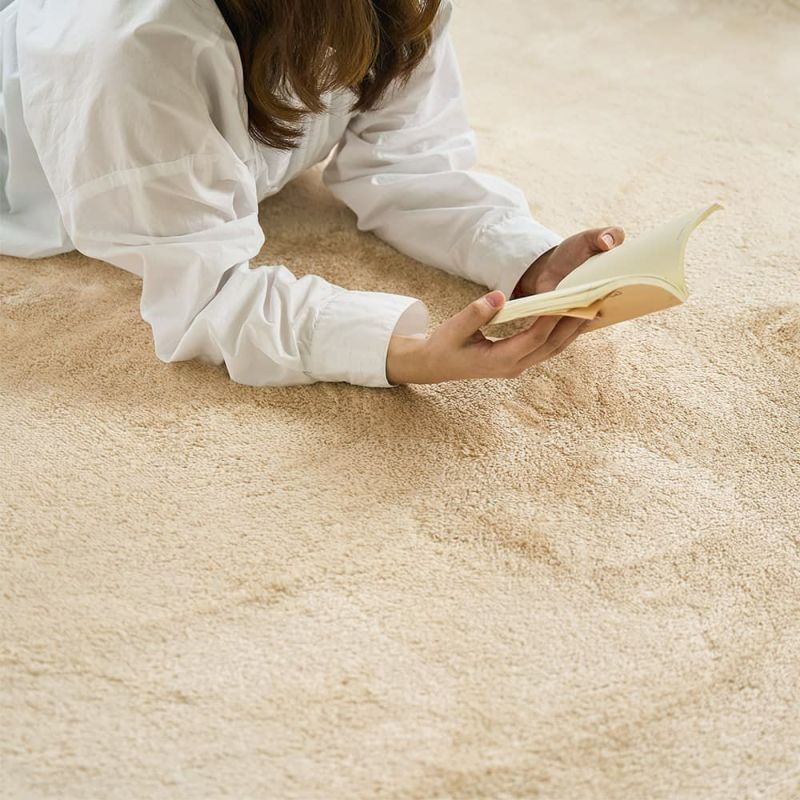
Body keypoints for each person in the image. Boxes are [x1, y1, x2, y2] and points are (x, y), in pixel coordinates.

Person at [0, 0, 624, 388]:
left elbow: (405, 162)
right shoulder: (138, 46)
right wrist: (405, 354)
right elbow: (203, 295)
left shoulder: (400, 9)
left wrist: (530, 257)